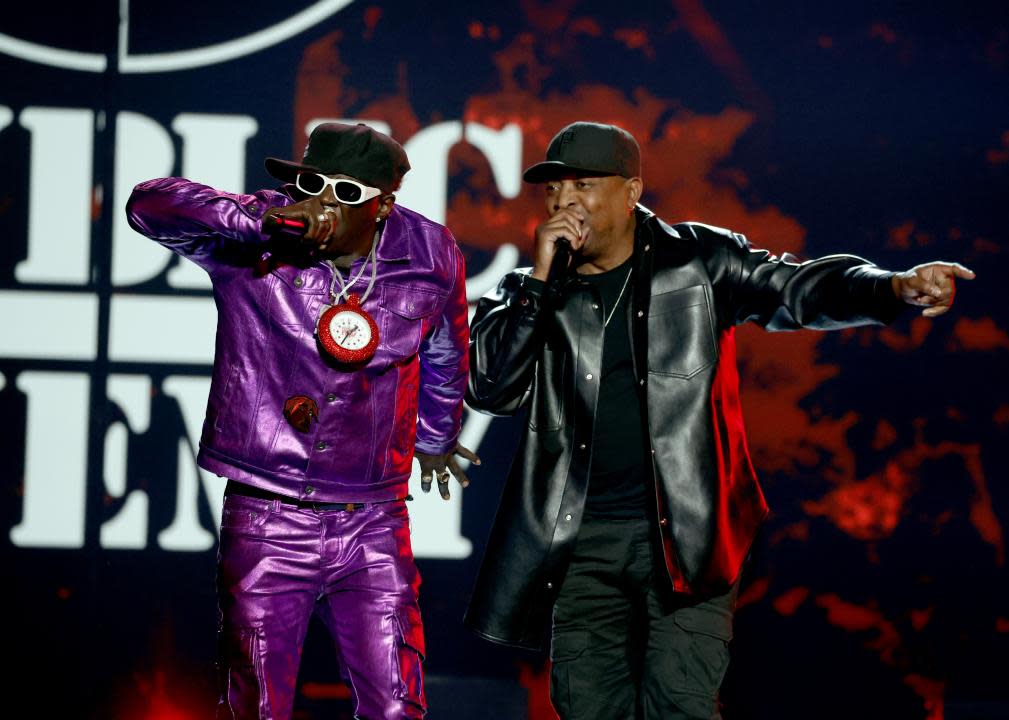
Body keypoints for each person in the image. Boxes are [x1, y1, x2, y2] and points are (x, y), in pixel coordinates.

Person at [464, 121, 974, 719]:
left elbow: (796, 289)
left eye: (583, 184)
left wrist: (890, 287)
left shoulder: (700, 260)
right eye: (553, 189)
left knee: (679, 704)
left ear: (631, 193)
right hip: (581, 538)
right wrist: (540, 286)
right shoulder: (530, 291)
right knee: (588, 709)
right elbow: (491, 389)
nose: (564, 202)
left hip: (687, 532)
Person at [126, 122, 477, 720]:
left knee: (397, 705)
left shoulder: (429, 251)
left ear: (383, 205)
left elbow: (446, 347)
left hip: (372, 518)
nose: (322, 204)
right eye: (312, 183)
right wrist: (258, 222)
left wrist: (438, 436)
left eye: (344, 193)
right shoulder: (257, 234)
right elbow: (147, 204)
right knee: (258, 705)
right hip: (267, 512)